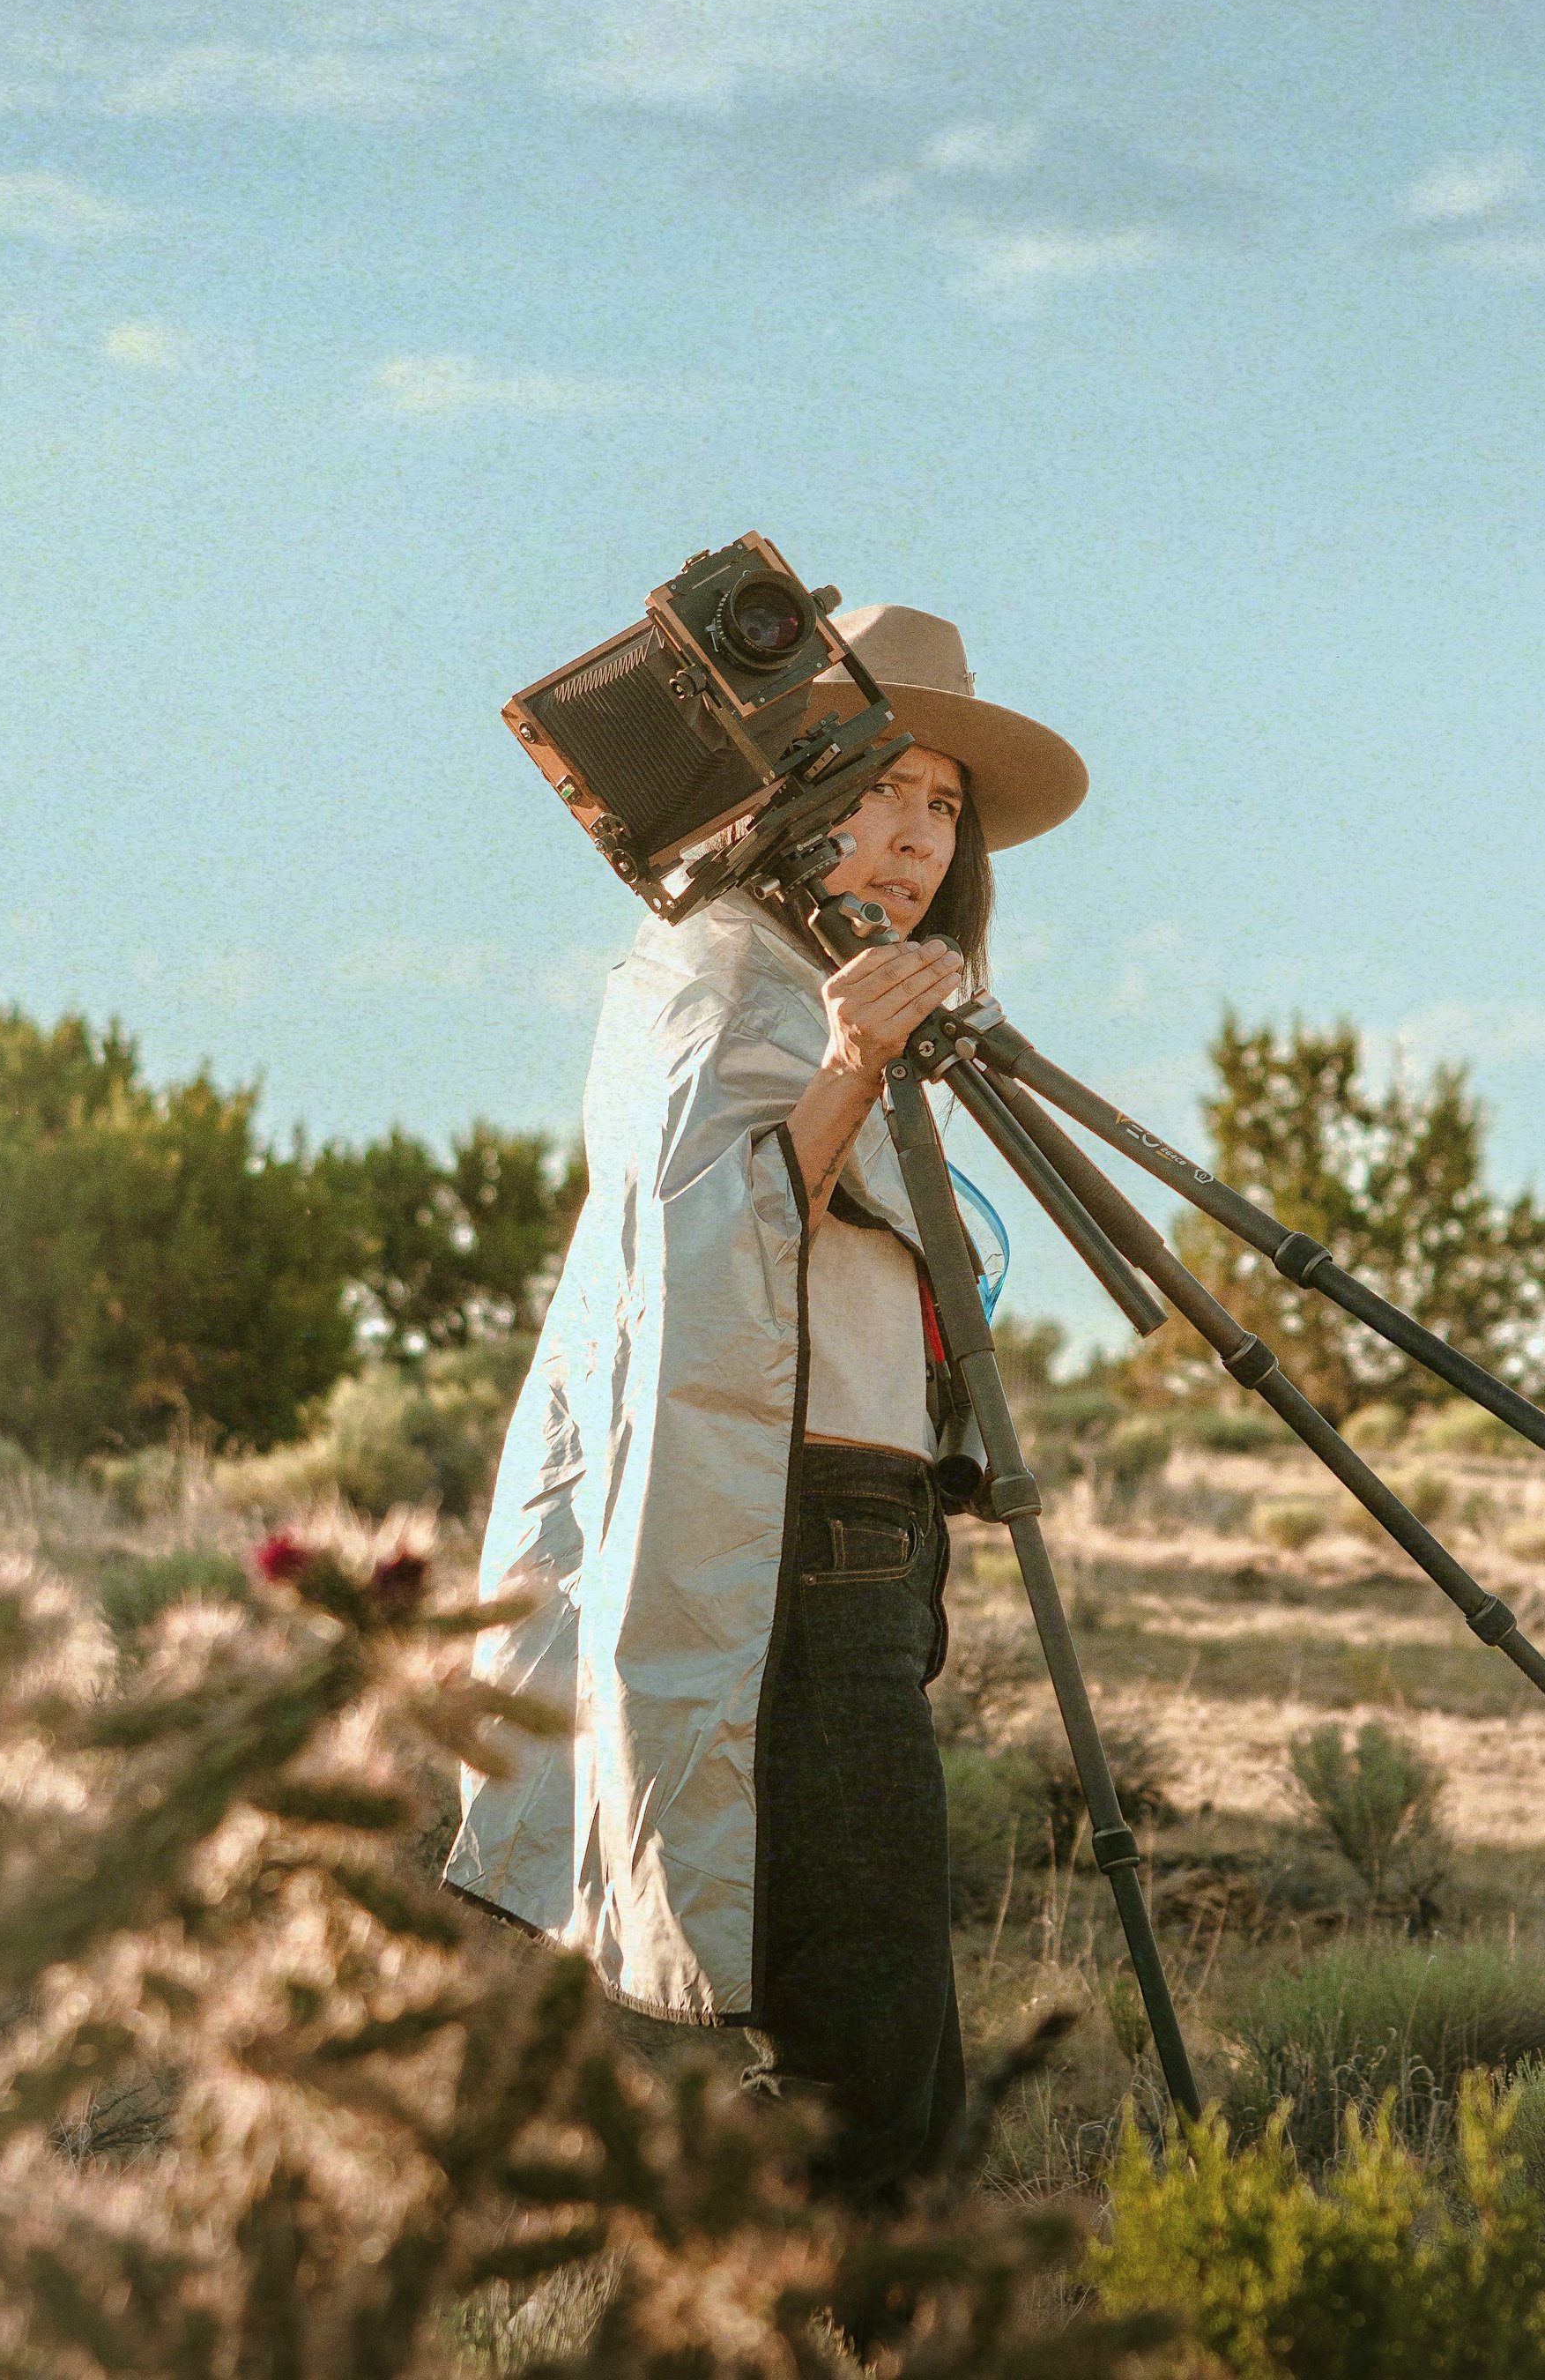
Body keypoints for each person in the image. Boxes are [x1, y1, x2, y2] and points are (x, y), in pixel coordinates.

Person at [447, 602, 1088, 2203]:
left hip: (860, 1530)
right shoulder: (721, 961)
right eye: (887, 787)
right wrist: (851, 1067)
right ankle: (862, 2317)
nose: (920, 835)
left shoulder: (830, 974)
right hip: (782, 1538)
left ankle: (838, 2300)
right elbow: (699, 1256)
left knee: (878, 2005)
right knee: (862, 2022)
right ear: (797, 776)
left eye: (946, 807)